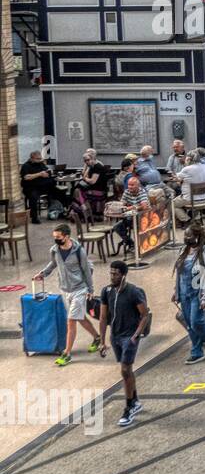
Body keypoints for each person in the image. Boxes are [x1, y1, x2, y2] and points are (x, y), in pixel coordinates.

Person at [34, 222, 104, 366]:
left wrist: (90, 290)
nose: (56, 240)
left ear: (66, 237)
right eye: (54, 237)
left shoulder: (79, 252)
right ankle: (97, 337)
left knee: (71, 320)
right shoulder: (54, 250)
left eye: (58, 237)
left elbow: (86, 271)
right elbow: (53, 264)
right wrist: (43, 274)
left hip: (79, 289)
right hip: (65, 289)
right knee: (79, 317)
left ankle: (67, 353)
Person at [98, 260, 150, 428]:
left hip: (130, 336)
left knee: (125, 369)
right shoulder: (106, 291)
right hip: (116, 336)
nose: (112, 276)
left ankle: (129, 407)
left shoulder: (134, 292)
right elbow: (104, 317)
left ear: (123, 275)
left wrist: (136, 335)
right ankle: (135, 400)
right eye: (111, 273)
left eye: (116, 274)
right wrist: (102, 340)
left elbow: (144, 314)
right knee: (127, 371)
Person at [173, 224, 205, 365]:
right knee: (189, 325)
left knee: (196, 322)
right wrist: (176, 291)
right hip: (184, 292)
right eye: (185, 236)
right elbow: (179, 273)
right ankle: (196, 352)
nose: (187, 239)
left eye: (190, 236)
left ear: (198, 237)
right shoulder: (183, 250)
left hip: (198, 294)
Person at [20, 151, 66, 221]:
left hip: (43, 186)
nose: (39, 160)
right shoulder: (26, 166)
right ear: (32, 158)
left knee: (60, 192)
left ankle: (59, 212)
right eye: (37, 159)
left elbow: (46, 171)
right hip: (31, 187)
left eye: (40, 158)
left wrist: (48, 173)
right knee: (33, 196)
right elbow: (26, 177)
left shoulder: (40, 163)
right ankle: (34, 217)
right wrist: (39, 174)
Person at [113, 175, 150, 257]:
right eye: (129, 185)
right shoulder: (126, 192)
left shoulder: (142, 192)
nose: (130, 187)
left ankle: (141, 247)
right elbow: (122, 204)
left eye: (132, 185)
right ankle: (131, 244)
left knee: (136, 227)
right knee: (117, 227)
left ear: (138, 185)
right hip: (130, 218)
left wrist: (131, 207)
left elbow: (144, 206)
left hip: (143, 218)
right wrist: (121, 207)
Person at [174, 152, 205, 224]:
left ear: (189, 159)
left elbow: (177, 178)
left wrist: (185, 164)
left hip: (190, 199)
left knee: (172, 204)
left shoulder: (187, 169)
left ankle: (186, 220)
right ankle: (195, 218)